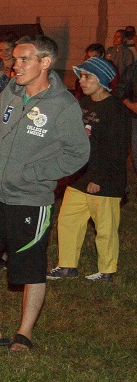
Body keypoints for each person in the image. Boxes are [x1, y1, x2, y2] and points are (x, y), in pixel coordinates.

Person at [0, 35, 89, 352]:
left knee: (29, 267)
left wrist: (32, 173)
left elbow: (77, 154)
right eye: (14, 58)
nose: (15, 65)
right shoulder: (11, 93)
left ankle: (24, 333)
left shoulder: (63, 105)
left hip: (31, 199)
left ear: (45, 62)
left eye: (23, 59)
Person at [47, 57, 126, 283]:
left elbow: (116, 150)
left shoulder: (115, 111)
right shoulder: (83, 104)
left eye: (88, 76)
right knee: (68, 220)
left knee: (105, 227)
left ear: (102, 81)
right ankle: (67, 266)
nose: (82, 81)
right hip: (80, 176)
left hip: (104, 180)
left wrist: (98, 178)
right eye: (81, 76)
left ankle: (107, 270)